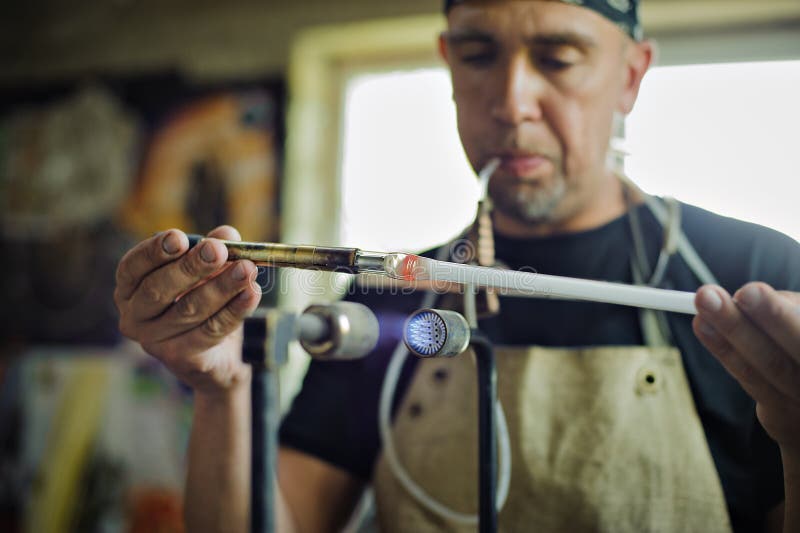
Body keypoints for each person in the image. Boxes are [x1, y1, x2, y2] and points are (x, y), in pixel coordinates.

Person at [114, 1, 800, 531]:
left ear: (629, 77)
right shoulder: (386, 304)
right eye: (478, 56)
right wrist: (223, 390)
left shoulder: (753, 284)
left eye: (558, 59)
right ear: (448, 63)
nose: (511, 103)